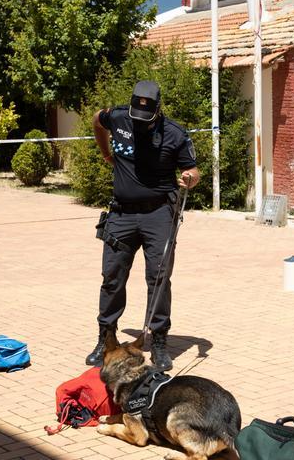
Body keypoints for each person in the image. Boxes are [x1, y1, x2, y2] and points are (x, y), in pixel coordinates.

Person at [87, 80, 200, 370]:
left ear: (157, 110)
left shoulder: (175, 134)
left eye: (146, 118)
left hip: (159, 214)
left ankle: (159, 342)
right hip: (121, 215)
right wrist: (106, 154)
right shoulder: (118, 116)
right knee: (112, 277)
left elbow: (192, 170)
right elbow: (97, 120)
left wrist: (189, 179)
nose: (139, 122)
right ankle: (106, 338)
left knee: (159, 278)